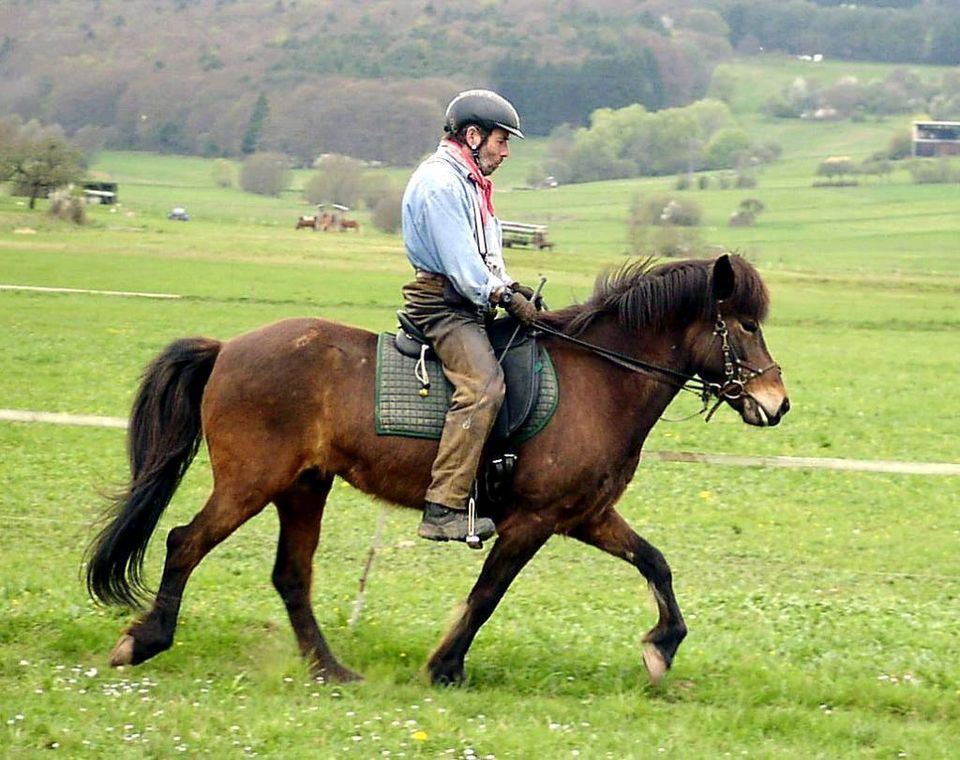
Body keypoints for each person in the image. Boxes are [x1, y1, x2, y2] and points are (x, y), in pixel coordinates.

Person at [400, 89, 541, 543]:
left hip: (467, 300)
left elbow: (484, 259)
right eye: (502, 140)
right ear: (474, 135)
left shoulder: (470, 183)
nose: (506, 151)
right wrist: (500, 293)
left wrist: (511, 286)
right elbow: (463, 267)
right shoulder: (441, 183)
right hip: (444, 307)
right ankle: (443, 507)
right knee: (483, 387)